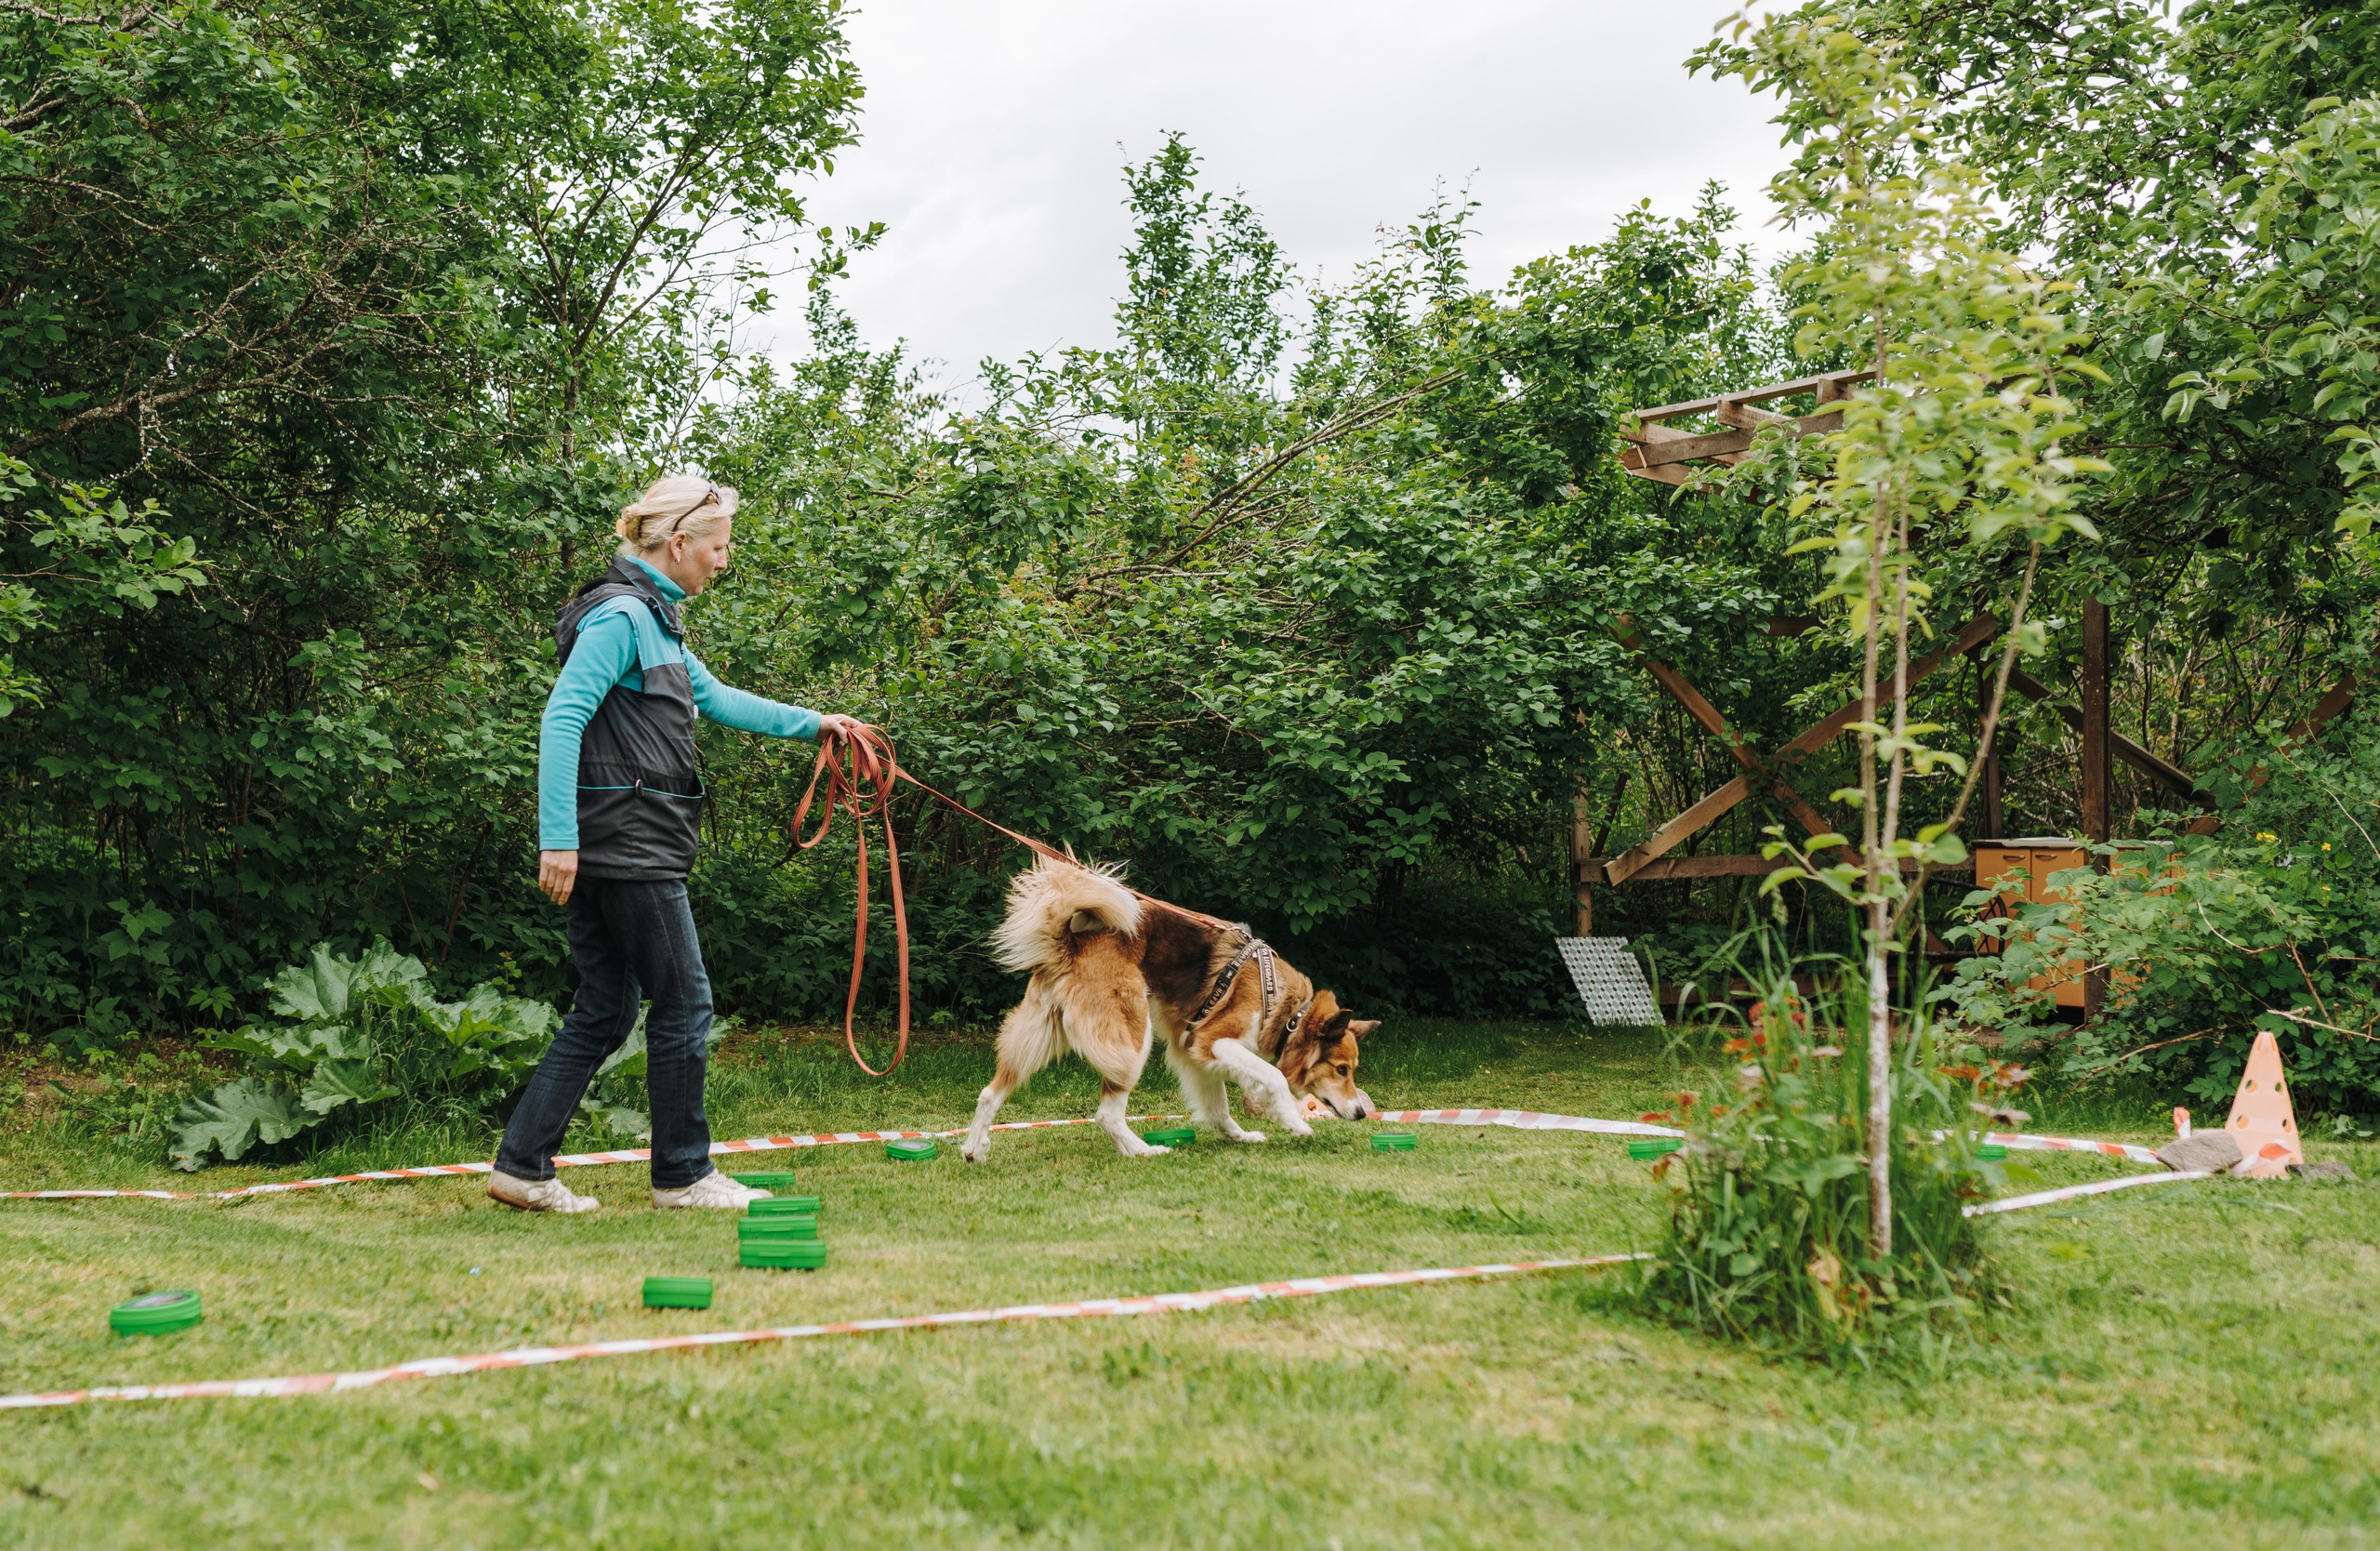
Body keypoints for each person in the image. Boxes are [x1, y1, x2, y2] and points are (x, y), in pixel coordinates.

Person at [488, 475, 863, 1213]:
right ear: (679, 543)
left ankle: (522, 1165)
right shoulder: (623, 618)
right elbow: (562, 721)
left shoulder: (654, 626)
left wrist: (819, 722)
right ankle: (683, 1174)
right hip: (625, 843)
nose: (722, 562)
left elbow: (717, 699)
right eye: (718, 548)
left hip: (621, 841)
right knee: (686, 1002)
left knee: (606, 1005)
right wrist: (556, 839)